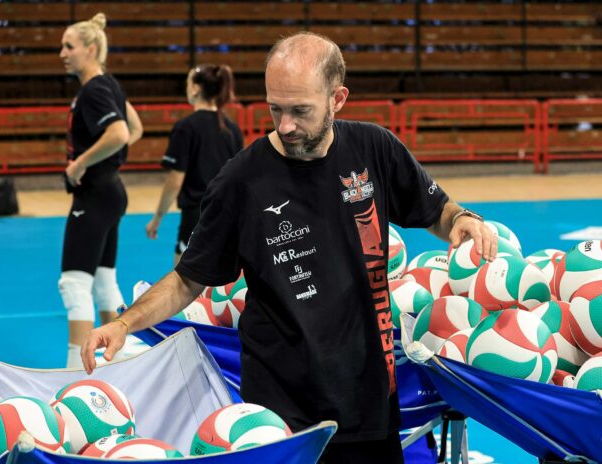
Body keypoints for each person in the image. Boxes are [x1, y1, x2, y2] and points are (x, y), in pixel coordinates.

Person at [81, 32, 497, 463]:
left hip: (368, 401)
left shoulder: (375, 148)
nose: (285, 125)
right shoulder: (240, 181)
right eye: (275, 109)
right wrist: (124, 324)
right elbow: (189, 279)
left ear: (337, 99)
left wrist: (461, 220)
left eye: (300, 111)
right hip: (280, 413)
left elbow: (436, 210)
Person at [58, 13, 143, 368]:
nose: (62, 54)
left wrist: (80, 164)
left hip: (95, 194)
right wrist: (107, 159)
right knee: (105, 280)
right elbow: (135, 127)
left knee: (74, 283)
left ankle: (75, 371)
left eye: (69, 46)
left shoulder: (94, 90)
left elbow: (121, 133)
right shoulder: (108, 85)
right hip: (110, 192)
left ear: (91, 49)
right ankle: (119, 362)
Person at [145, 65, 243, 266]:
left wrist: (157, 218)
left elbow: (175, 182)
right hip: (228, 214)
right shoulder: (232, 129)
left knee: (182, 279)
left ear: (196, 88)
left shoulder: (186, 128)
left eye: (188, 83)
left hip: (197, 216)